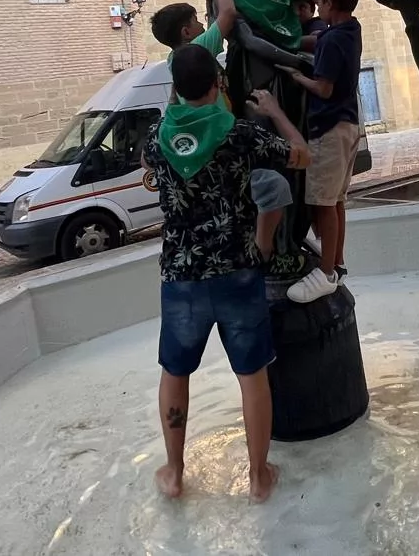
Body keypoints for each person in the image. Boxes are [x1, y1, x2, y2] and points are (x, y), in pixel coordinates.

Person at [143, 45, 310, 503]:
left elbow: (149, 167)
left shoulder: (155, 137)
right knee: (251, 375)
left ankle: (175, 473)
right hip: (237, 271)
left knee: (175, 372)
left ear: (175, 88)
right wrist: (275, 110)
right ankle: (258, 477)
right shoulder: (239, 134)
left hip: (181, 276)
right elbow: (300, 155)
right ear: (218, 86)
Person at [148, 0, 291, 259]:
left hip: (206, 142)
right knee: (275, 184)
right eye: (197, 22)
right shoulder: (197, 50)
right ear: (186, 33)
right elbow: (227, 14)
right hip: (221, 136)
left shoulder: (175, 61)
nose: (203, 25)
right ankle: (264, 248)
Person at [282, 0, 363, 304]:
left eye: (318, 0)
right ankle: (338, 263)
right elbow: (317, 38)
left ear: (329, 3)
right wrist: (289, 40)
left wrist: (296, 75)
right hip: (349, 126)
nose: (315, 7)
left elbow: (323, 88)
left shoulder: (330, 40)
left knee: (322, 203)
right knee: (337, 201)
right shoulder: (350, 29)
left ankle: (326, 272)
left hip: (327, 129)